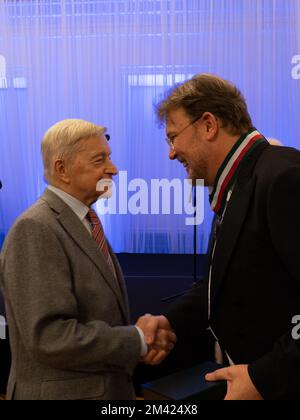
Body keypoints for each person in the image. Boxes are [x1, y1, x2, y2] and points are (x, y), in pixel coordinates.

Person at [141, 74, 300, 400]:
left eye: (173, 138)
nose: (172, 154)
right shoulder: (241, 181)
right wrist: (169, 321)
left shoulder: (283, 177)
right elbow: (225, 281)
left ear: (209, 125)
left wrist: (262, 377)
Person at [0, 119, 176, 400]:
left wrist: (134, 347)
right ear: (62, 169)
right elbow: (49, 338)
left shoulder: (85, 220)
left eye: (109, 157)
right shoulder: (35, 228)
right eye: (100, 159)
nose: (113, 168)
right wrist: (137, 341)